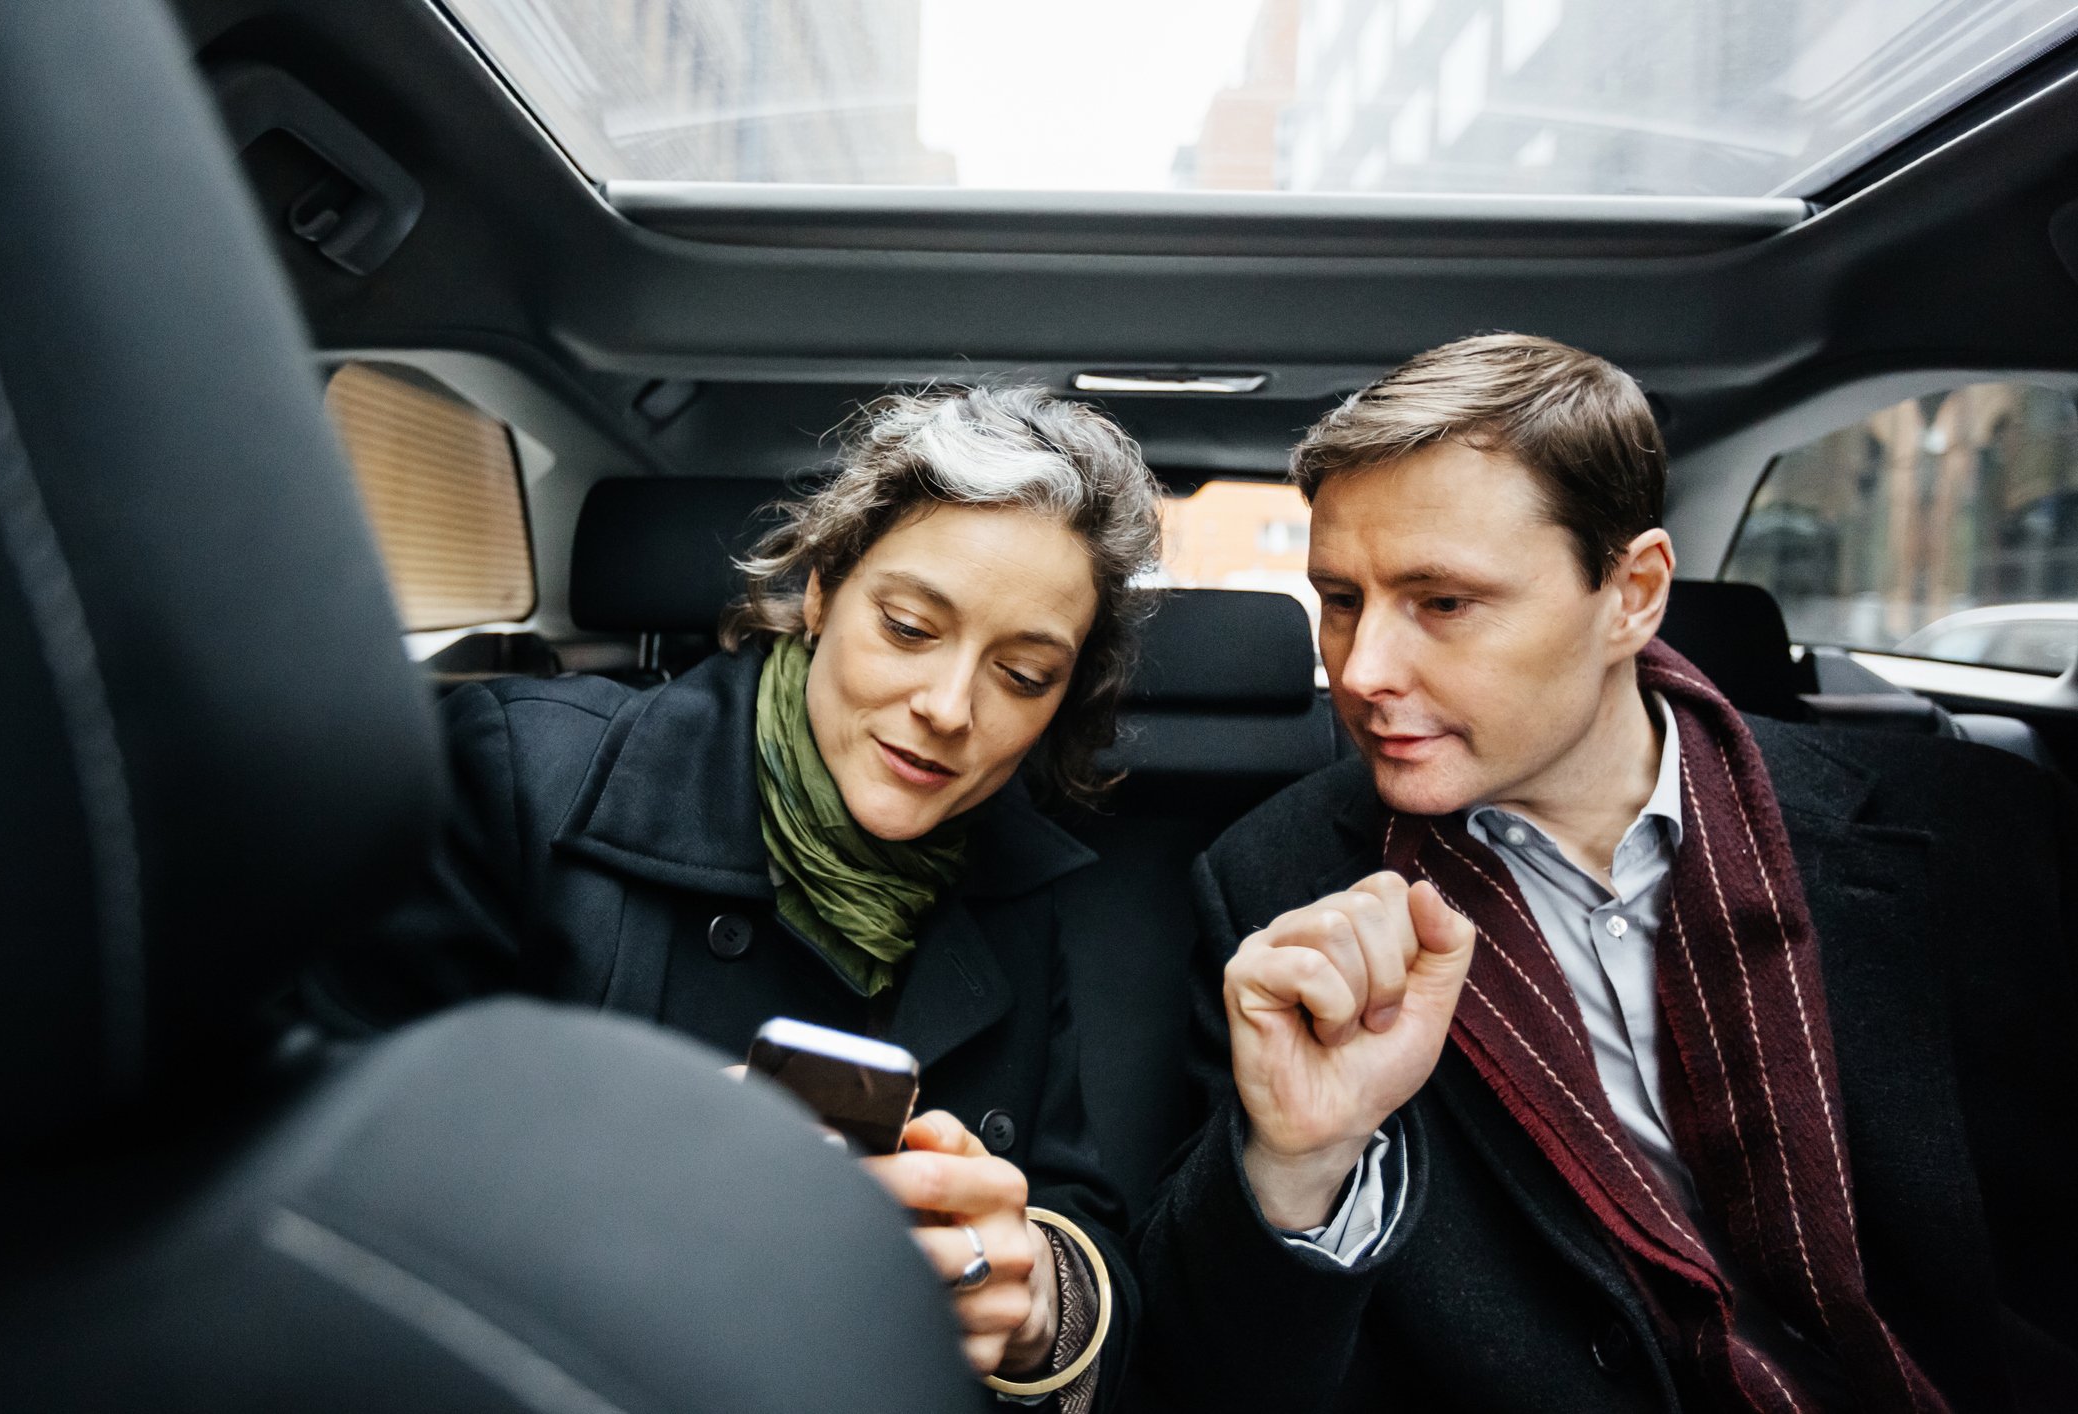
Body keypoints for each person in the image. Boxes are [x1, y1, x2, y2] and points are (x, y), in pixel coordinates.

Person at [1135, 335, 2078, 1412]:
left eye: (1443, 603)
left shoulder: (1972, 827)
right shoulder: (1275, 883)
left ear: (1632, 593)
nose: (1360, 670)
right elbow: (1215, 1370)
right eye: (1341, 598)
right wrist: (1299, 1162)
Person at [309, 384, 1162, 1410]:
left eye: (1022, 675)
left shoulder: (1013, 884)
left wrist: (1033, 1306)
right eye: (907, 627)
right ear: (822, 591)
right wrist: (617, 1168)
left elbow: (1078, 1223)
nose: (947, 708)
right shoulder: (523, 772)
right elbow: (305, 1147)